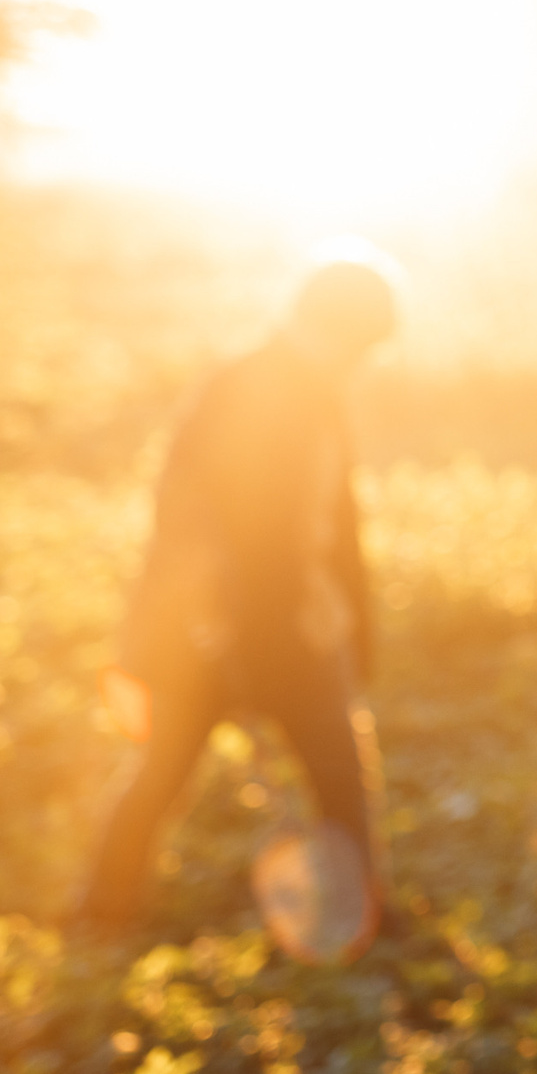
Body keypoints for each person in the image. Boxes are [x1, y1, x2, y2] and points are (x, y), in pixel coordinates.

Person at [74, 253, 399, 937]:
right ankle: (103, 911)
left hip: (297, 629)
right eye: (363, 345)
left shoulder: (315, 391)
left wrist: (354, 634)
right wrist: (222, 624)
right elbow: (191, 518)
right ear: (336, 329)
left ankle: (357, 913)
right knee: (164, 772)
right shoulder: (244, 390)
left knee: (336, 775)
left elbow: (334, 526)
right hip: (213, 636)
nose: (365, 363)